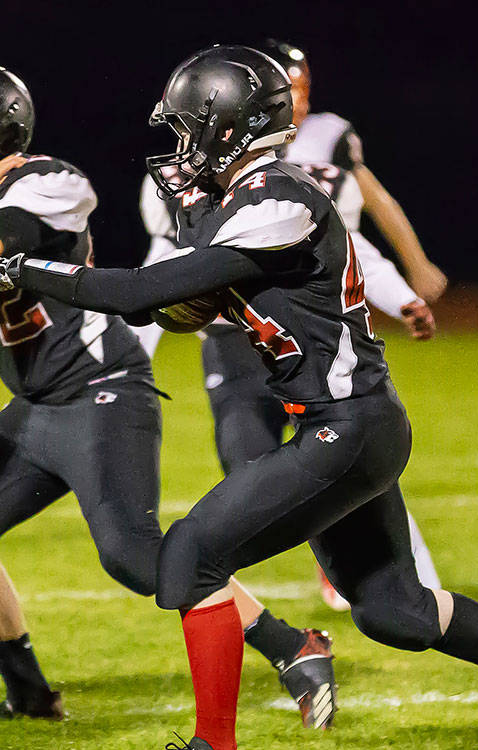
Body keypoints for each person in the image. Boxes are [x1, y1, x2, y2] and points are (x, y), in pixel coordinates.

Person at [0, 44, 478, 750]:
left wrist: (17, 267)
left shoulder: (279, 200)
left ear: (227, 128)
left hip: (347, 425)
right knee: (395, 612)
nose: (180, 146)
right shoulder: (241, 199)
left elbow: (138, 294)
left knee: (192, 552)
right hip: (344, 422)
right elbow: (183, 305)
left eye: (189, 127)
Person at [0, 61, 339, 728]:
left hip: (103, 392)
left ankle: (293, 646)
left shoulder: (49, 182)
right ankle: (27, 693)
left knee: (135, 557)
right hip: (36, 407)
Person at [135, 40, 444, 611]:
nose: (297, 101)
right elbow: (165, 258)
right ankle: (357, 580)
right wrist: (136, 342)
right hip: (237, 342)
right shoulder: (193, 168)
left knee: (343, 471)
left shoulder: (318, 168)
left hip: (310, 349)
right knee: (249, 467)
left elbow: (351, 243)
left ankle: (392, 581)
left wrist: (403, 293)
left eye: (302, 89)